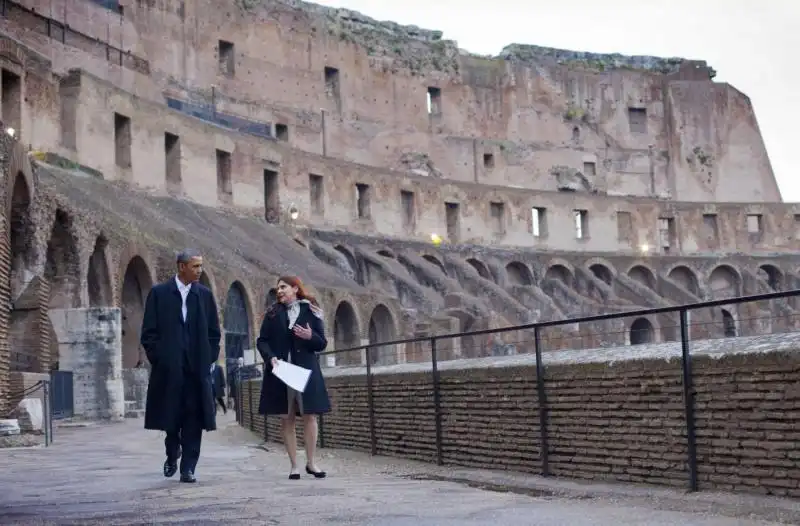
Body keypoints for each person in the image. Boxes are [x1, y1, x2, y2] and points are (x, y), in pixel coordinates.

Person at [140, 248, 221, 484]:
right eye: (196, 266)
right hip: (170, 369)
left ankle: (189, 467)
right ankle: (172, 451)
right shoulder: (159, 293)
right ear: (181, 267)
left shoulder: (204, 295)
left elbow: (214, 332)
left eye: (201, 266)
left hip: (197, 368)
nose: (200, 271)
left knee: (194, 417)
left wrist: (209, 356)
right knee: (171, 418)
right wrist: (160, 358)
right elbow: (149, 333)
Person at [256, 276, 331, 480]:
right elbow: (262, 341)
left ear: (295, 288)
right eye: (277, 288)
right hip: (282, 372)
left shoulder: (311, 310)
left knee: (310, 416)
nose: (279, 291)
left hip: (306, 371)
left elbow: (322, 343)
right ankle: (294, 466)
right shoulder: (272, 314)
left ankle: (312, 463)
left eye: (283, 287)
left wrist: (310, 337)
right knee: (286, 418)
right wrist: (270, 358)